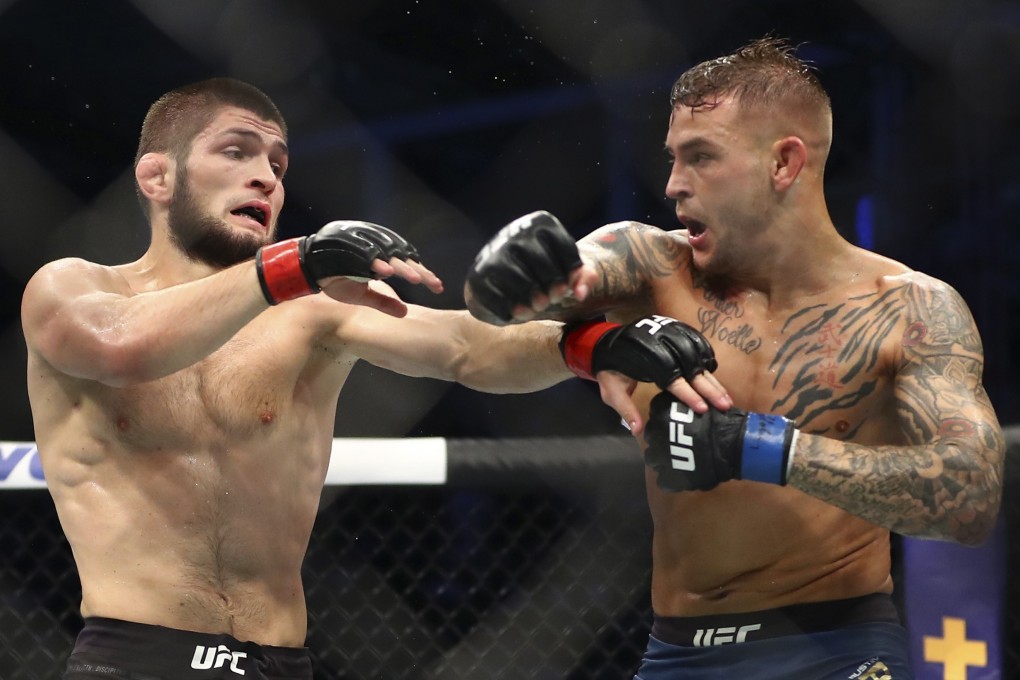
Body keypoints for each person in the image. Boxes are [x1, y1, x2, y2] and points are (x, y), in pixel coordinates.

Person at [21, 77, 731, 680]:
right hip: (137, 657)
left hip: (281, 660)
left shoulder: (309, 313)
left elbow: (463, 346)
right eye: (236, 151)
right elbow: (119, 348)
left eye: (277, 163)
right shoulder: (74, 287)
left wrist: (593, 346)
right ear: (156, 177)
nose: (266, 177)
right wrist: (293, 264)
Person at [465, 37, 1005, 679]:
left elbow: (969, 498)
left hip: (838, 651)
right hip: (677, 655)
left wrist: (759, 447)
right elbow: (546, 290)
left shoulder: (908, 308)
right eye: (673, 158)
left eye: (701, 157)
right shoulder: (655, 264)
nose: (673, 185)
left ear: (783, 162)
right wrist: (523, 277)